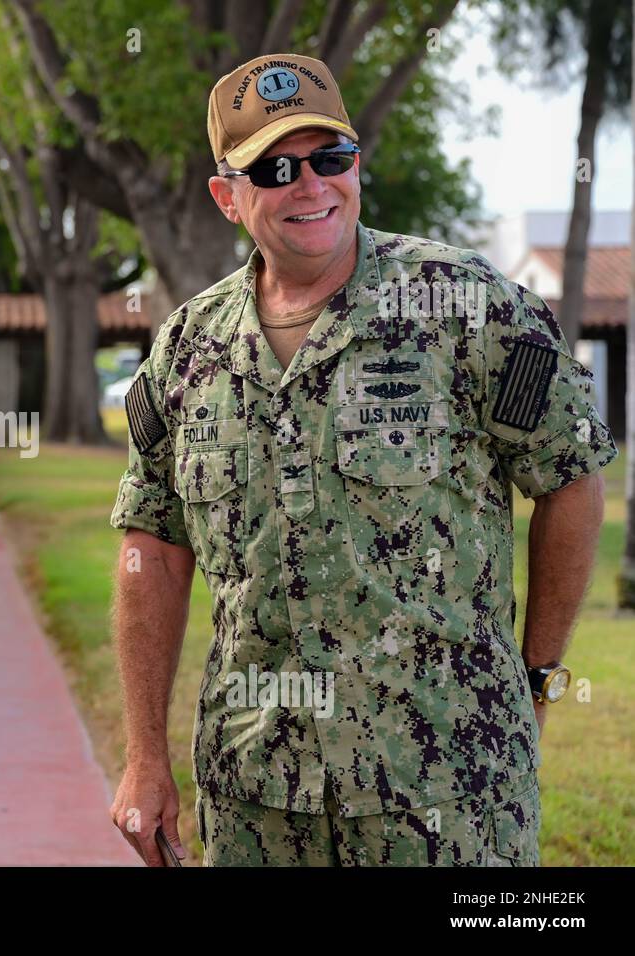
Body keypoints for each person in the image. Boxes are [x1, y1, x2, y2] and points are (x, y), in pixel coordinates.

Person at [108, 54, 615, 866]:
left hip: (451, 793)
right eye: (275, 167)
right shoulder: (187, 349)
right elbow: (152, 550)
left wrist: (538, 681)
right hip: (256, 798)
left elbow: (572, 480)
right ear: (228, 196)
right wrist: (143, 758)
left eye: (329, 158)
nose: (310, 185)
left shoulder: (469, 306)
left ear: (356, 165)